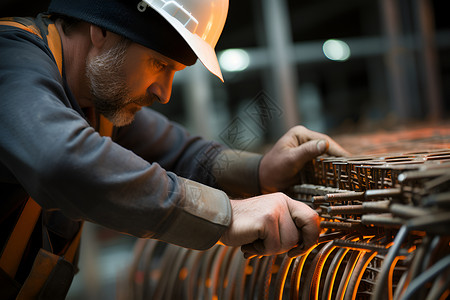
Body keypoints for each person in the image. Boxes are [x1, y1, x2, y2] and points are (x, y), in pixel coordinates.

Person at [0, 0, 349, 298]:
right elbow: (60, 162)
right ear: (102, 30)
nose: (164, 93)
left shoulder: (91, 98)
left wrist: (260, 171)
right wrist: (228, 215)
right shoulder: (9, 57)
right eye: (159, 64)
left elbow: (181, 154)